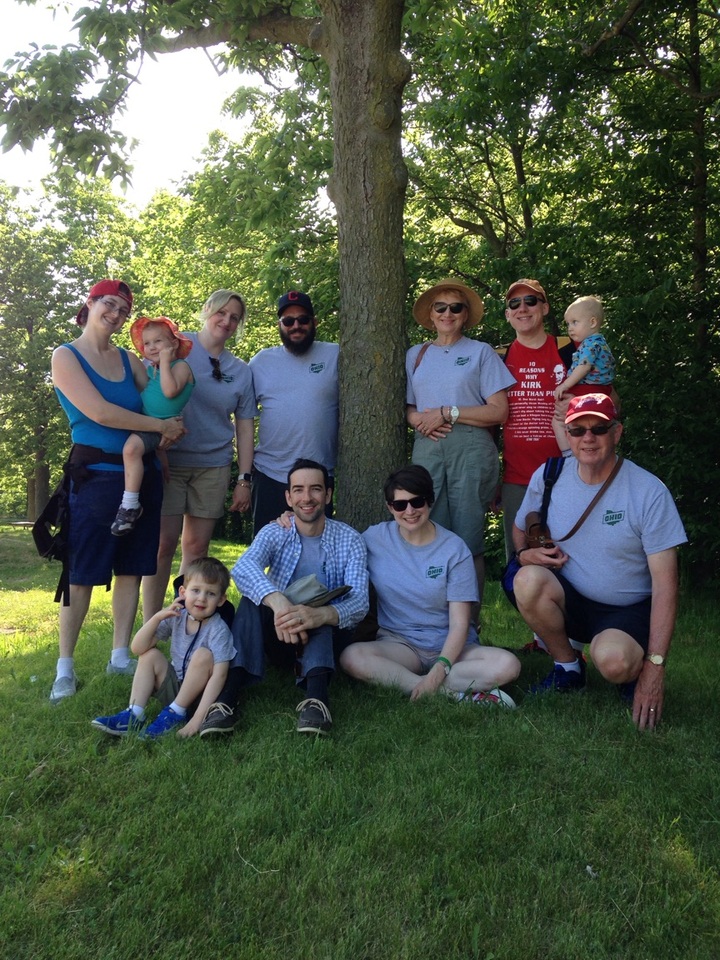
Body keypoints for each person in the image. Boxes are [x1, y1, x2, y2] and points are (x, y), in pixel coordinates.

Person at [511, 394, 687, 730]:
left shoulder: (648, 491)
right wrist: (524, 554)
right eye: (577, 430)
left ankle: (630, 672)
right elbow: (520, 528)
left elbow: (666, 586)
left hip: (627, 609)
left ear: (617, 433)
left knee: (614, 661)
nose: (587, 438)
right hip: (572, 599)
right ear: (567, 433)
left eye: (599, 428)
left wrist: (655, 667)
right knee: (526, 579)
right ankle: (567, 668)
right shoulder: (549, 475)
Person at [49, 279, 185, 703]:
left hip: (140, 474)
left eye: (124, 309)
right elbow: (102, 413)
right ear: (89, 304)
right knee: (82, 573)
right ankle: (64, 668)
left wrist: (165, 438)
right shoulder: (65, 355)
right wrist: (161, 428)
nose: (116, 313)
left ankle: (120, 654)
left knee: (130, 567)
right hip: (93, 479)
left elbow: (156, 402)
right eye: (109, 303)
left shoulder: (130, 359)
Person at [198, 459, 369, 737]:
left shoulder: (349, 539)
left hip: (324, 636)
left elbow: (360, 600)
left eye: (315, 489)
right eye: (298, 490)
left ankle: (317, 700)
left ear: (328, 494)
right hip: (277, 634)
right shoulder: (277, 531)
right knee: (251, 601)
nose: (307, 498)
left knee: (322, 609)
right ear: (288, 497)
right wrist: (280, 605)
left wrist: (317, 615)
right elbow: (243, 568)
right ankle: (227, 699)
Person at [340, 465, 520, 704]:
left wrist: (440, 668)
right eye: (400, 504)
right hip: (401, 645)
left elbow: (460, 623)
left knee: (508, 665)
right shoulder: (374, 539)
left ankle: (419, 683)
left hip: (454, 648)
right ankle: (452, 694)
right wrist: (291, 517)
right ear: (389, 508)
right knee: (352, 657)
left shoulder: (454, 550)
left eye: (418, 502)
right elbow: (333, 542)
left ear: (430, 501)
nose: (410, 511)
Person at [142, 290, 255, 619]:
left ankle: (187, 622)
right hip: (168, 461)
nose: (227, 321)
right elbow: (142, 386)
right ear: (207, 311)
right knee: (163, 545)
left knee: (196, 549)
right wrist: (151, 436)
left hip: (213, 466)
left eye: (235, 317)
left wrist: (244, 479)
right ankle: (153, 622)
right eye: (221, 312)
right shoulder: (175, 345)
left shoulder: (241, 370)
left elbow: (244, 426)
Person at [406, 279, 515, 604]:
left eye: (456, 307)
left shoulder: (480, 352)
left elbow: (499, 411)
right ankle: (432, 618)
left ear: (466, 315)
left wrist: (447, 412)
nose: (448, 313)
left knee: (468, 539)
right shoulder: (416, 354)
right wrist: (418, 419)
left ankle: (469, 625)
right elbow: (409, 406)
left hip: (470, 448)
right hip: (427, 446)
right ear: (431, 313)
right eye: (441, 307)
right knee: (425, 530)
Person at [91, 557, 235, 739]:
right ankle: (134, 714)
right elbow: (137, 648)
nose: (201, 598)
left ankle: (177, 714)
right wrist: (157, 618)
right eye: (196, 590)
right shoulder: (177, 616)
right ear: (183, 592)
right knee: (149, 655)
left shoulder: (218, 629)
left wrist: (197, 720)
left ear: (221, 600)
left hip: (200, 696)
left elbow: (220, 675)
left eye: (211, 594)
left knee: (203, 655)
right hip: (175, 686)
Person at [249, 290, 339, 536]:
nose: (296, 325)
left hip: (320, 478)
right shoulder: (260, 362)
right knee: (266, 551)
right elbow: (240, 413)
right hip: (270, 474)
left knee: (316, 553)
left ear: (314, 322)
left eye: (303, 319)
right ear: (279, 325)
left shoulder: (336, 356)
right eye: (288, 321)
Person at [111, 316, 195, 536]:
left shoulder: (181, 366)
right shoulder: (152, 370)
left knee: (130, 450)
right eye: (147, 343)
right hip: (147, 424)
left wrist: (165, 362)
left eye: (158, 341)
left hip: (160, 426)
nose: (151, 347)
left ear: (174, 343)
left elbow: (169, 391)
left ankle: (129, 506)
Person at [554, 296, 616, 401]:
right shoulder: (600, 342)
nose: (570, 328)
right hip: (603, 389)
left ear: (592, 323)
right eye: (568, 324)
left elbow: (584, 367)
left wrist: (565, 385)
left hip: (588, 389)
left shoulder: (590, 345)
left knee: (562, 405)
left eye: (575, 322)